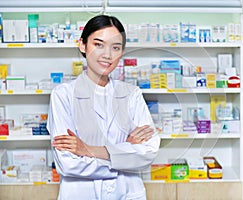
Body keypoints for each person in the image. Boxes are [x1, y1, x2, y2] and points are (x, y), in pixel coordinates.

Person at [46, 14, 160, 200]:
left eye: (115, 47)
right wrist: (124, 153)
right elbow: (68, 163)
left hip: (126, 193)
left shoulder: (132, 95)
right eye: (98, 44)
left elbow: (148, 153)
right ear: (82, 45)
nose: (107, 55)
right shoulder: (63, 95)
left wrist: (90, 150)